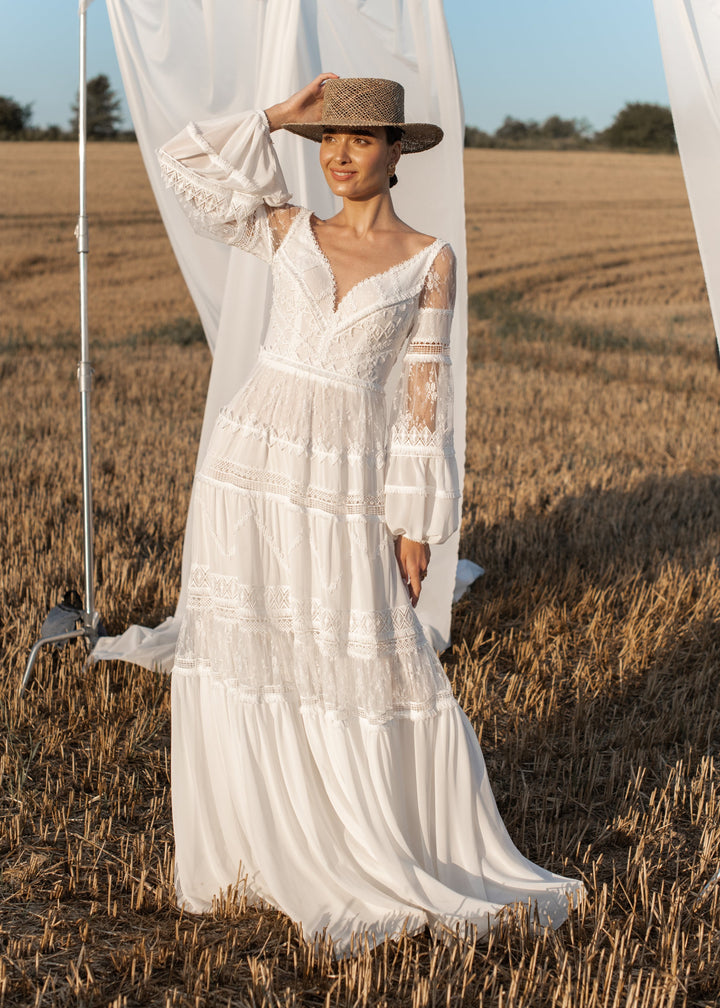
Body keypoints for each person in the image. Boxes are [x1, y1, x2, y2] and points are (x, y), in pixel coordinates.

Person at [157, 74, 584, 954]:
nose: (339, 155)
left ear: (398, 152)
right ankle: (253, 841)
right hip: (247, 465)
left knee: (364, 648)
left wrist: (415, 519)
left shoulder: (431, 259)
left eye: (359, 139)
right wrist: (277, 116)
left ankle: (368, 842)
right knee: (255, 645)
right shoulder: (286, 229)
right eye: (328, 139)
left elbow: (427, 397)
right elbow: (184, 164)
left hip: (347, 475)